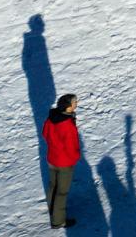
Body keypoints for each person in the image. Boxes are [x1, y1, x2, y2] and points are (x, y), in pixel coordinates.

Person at [42, 93, 82, 229]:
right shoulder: (67, 125)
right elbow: (71, 146)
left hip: (52, 158)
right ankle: (58, 221)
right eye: (74, 102)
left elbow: (45, 133)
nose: (76, 104)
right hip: (64, 162)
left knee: (53, 186)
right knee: (61, 192)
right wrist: (75, 157)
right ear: (68, 106)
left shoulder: (52, 117)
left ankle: (53, 210)